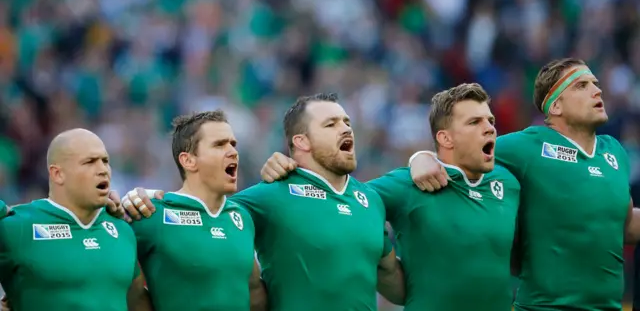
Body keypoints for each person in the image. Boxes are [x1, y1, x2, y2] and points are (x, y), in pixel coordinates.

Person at [122, 93, 406, 311]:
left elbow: (396, 282)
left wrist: (423, 157)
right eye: (331, 124)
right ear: (301, 142)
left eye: (347, 122)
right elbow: (200, 209)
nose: (345, 129)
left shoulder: (370, 198)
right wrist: (142, 197)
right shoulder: (265, 199)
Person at [257, 84, 520, 310]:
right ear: (445, 138)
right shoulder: (405, 185)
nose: (490, 129)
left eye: (491, 121)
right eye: (475, 122)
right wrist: (292, 168)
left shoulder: (509, 183)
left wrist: (420, 155)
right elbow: (341, 200)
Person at [408, 58, 638, 310]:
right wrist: (420, 158)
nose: (597, 90)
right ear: (556, 105)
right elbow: (456, 152)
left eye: (595, 83)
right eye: (581, 85)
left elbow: (625, 225)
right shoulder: (527, 146)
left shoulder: (614, 151)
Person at [130, 110, 267, 311]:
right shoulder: (153, 214)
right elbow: (123, 287)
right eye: (219, 145)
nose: (232, 151)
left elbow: (255, 294)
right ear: (188, 160)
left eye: (233, 144)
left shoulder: (241, 217)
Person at [0, 128, 150, 311]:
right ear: (57, 174)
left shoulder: (122, 229)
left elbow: (138, 303)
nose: (103, 170)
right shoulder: (18, 227)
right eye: (89, 162)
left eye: (105, 161)